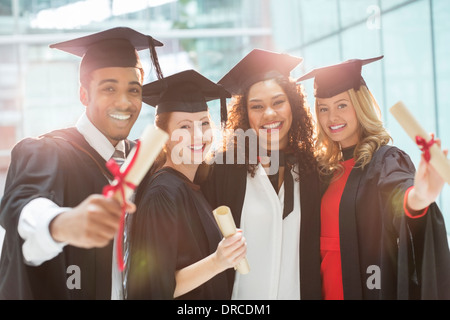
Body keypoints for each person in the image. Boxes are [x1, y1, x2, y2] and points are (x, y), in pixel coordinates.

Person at [0, 27, 164, 299]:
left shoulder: (143, 161)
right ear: (83, 95)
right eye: (109, 88)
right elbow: (23, 204)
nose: (124, 102)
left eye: (133, 90)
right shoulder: (49, 151)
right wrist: (63, 223)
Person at [297, 55, 450, 299]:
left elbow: (400, 194)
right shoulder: (322, 170)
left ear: (361, 105)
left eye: (342, 105)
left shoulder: (384, 160)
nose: (332, 117)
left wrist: (419, 197)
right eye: (323, 109)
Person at [196, 49, 322, 299]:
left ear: (293, 105)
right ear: (245, 114)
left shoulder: (313, 171)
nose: (269, 114)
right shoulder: (224, 171)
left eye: (278, 102)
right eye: (257, 106)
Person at [125, 69, 247, 300]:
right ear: (164, 137)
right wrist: (219, 261)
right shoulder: (163, 194)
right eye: (184, 127)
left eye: (203, 123)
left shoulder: (190, 185)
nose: (199, 135)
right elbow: (154, 288)